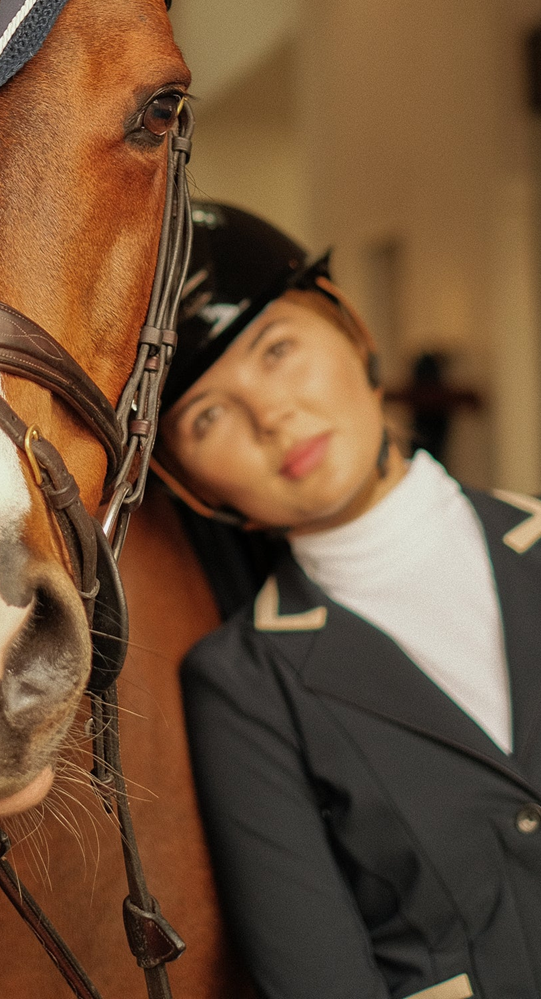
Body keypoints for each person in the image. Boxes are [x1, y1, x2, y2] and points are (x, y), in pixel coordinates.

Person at [154, 202, 541, 999]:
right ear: (188, 484)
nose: (270, 415)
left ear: (355, 333)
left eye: (277, 350)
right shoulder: (243, 686)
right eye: (207, 415)